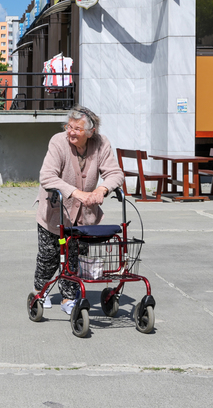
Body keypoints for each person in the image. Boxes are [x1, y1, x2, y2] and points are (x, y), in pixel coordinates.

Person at [34, 105, 124, 315]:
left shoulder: (101, 144)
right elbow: (47, 176)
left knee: (75, 258)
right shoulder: (58, 141)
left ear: (91, 132)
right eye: (69, 126)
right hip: (55, 211)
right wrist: (77, 193)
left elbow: (115, 173)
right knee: (49, 257)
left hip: (83, 217)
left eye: (77, 129)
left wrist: (103, 188)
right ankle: (41, 290)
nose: (71, 132)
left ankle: (68, 297)